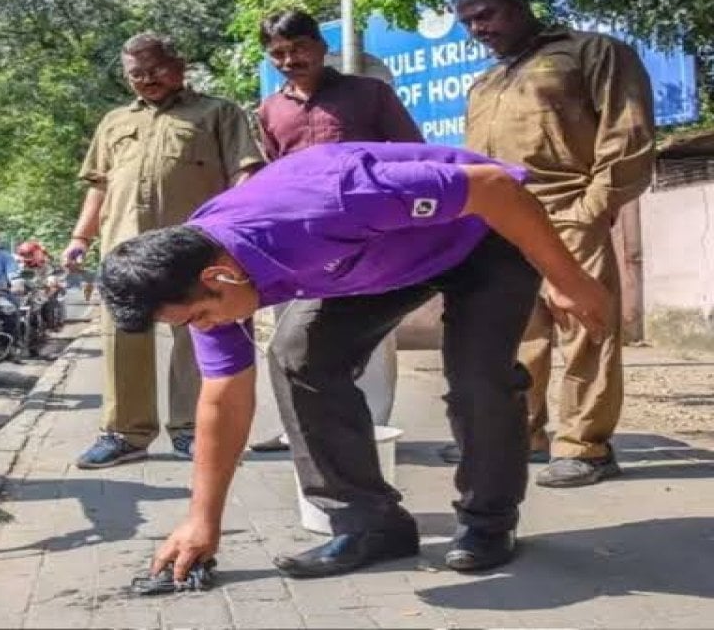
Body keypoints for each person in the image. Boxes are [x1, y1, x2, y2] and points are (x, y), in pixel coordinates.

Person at [98, 142, 613, 581]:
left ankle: (488, 521)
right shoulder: (198, 270)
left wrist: (569, 281)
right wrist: (202, 522)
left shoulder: (332, 199)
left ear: (220, 280)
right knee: (299, 355)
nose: (202, 330)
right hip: (380, 262)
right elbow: (223, 400)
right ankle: (369, 525)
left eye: (198, 319)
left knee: (478, 378)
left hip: (484, 233)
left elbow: (496, 187)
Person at [453, 0, 656, 486]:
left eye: (488, 14)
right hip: (499, 222)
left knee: (585, 329)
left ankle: (586, 446)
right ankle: (522, 436)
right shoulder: (486, 82)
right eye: (469, 22)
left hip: (568, 211)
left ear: (521, 5)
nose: (479, 28)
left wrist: (592, 209)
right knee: (518, 335)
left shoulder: (593, 52)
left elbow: (627, 134)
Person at [65, 32, 265, 469]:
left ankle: (191, 429)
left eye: (154, 69)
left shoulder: (218, 113)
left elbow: (245, 174)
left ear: (179, 65)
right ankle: (125, 433)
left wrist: (233, 234)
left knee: (196, 331)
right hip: (125, 249)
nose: (145, 79)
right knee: (122, 334)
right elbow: (98, 188)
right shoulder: (114, 121)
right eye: (135, 73)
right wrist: (81, 239)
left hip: (194, 248)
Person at [249, 9, 424, 453]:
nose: (290, 60)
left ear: (322, 46)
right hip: (298, 239)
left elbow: (411, 155)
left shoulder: (369, 95)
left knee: (371, 328)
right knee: (292, 333)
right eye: (278, 54)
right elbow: (272, 171)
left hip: (368, 235)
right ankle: (299, 427)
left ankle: (371, 426)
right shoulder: (269, 111)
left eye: (299, 48)